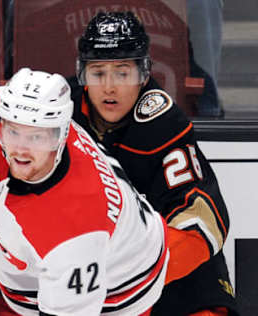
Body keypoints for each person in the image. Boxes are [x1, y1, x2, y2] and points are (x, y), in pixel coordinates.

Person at [0, 68, 169, 315]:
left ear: (61, 137)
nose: (21, 151)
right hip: (42, 250)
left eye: (37, 137)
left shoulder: (77, 228)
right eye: (13, 132)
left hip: (124, 280)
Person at [70, 11, 239, 315]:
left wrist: (130, 281)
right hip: (81, 272)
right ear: (82, 75)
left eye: (123, 73)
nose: (109, 87)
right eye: (98, 73)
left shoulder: (163, 123)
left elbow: (203, 222)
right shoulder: (56, 111)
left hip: (170, 275)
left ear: (144, 74)